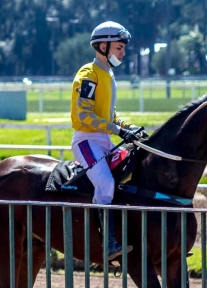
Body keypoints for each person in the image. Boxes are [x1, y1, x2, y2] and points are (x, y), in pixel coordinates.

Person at [70, 21, 145, 260]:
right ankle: (108, 243)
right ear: (103, 46)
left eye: (123, 48)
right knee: (106, 184)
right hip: (86, 142)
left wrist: (126, 127)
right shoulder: (88, 74)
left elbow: (109, 115)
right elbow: (84, 115)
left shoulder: (108, 73)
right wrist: (116, 129)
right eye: (119, 48)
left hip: (103, 140)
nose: (123, 53)